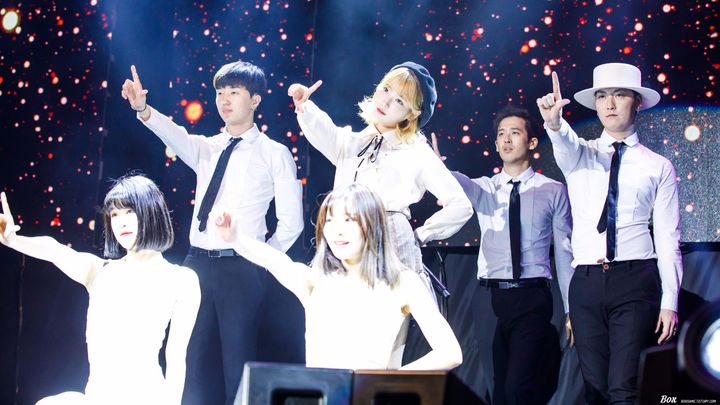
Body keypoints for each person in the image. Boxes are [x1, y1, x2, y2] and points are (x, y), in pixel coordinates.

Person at [121, 61, 303, 404]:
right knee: (185, 355)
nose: (225, 100)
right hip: (197, 264)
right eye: (220, 93)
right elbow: (173, 133)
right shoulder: (208, 147)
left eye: (234, 92)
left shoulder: (274, 153)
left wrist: (260, 259)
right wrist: (143, 109)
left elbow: (292, 222)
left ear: (255, 100)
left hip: (242, 267)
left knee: (237, 361)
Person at [288, 62, 473, 365]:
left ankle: (379, 388)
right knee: (337, 335)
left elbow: (460, 205)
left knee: (384, 344)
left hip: (390, 243)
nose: (386, 101)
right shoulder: (355, 141)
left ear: (411, 114)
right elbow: (326, 133)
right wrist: (304, 107)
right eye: (386, 89)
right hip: (345, 242)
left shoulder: (416, 151)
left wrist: (421, 234)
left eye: (399, 100)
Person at [536, 63, 683, 404]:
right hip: (586, 282)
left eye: (619, 95)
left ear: (637, 102)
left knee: (624, 387)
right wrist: (554, 123)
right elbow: (564, 143)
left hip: (635, 279)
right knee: (595, 390)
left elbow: (667, 238)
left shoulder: (658, 166)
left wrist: (670, 301)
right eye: (602, 96)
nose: (610, 104)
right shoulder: (580, 154)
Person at [214, 183, 462, 371]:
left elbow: (450, 353)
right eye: (330, 221)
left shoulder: (402, 283)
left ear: (372, 225)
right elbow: (275, 260)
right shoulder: (316, 281)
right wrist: (236, 239)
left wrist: (386, 383)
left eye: (348, 220)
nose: (337, 231)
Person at [0, 175, 200, 405]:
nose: (121, 222)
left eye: (129, 212)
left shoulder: (181, 280)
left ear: (151, 213)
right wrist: (14, 241)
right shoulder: (99, 271)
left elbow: (176, 358)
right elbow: (54, 250)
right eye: (114, 214)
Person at [433, 105, 574, 404]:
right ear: (496, 144)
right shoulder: (485, 189)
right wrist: (437, 169)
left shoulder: (553, 190)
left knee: (518, 387)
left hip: (532, 297)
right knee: (497, 388)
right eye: (501, 134)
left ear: (532, 142)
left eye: (515, 133)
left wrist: (570, 308)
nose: (507, 140)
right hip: (489, 298)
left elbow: (564, 253)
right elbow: (457, 183)